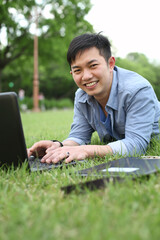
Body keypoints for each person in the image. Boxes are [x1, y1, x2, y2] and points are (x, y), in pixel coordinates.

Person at [28, 33, 160, 164]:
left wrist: (85, 150)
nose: (86, 76)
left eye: (93, 66)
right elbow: (79, 136)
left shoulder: (137, 90)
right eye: (78, 70)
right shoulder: (81, 96)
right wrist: (59, 146)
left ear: (110, 64)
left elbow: (136, 145)